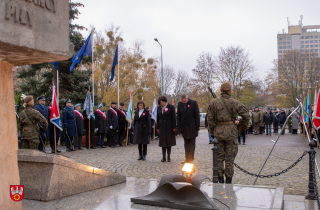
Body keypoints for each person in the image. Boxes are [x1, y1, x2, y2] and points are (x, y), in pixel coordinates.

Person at [207, 82, 250, 184]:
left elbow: (209, 120)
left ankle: (220, 180)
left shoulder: (214, 102)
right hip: (231, 133)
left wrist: (213, 132)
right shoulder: (235, 102)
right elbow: (247, 116)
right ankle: (229, 181)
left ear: (221, 91)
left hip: (218, 133)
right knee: (229, 159)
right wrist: (238, 127)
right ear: (230, 91)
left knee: (219, 158)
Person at [177, 94, 200, 164]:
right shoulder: (180, 104)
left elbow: (197, 115)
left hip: (192, 127)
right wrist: (179, 127)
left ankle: (191, 158)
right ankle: (187, 158)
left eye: (183, 101)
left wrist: (197, 127)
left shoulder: (193, 103)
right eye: (181, 101)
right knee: (186, 144)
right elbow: (179, 117)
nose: (183, 102)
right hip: (184, 128)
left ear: (187, 98)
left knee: (192, 144)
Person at [156, 96, 176, 162]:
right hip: (162, 127)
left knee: (169, 142)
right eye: (161, 103)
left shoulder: (171, 107)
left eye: (163, 102)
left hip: (169, 127)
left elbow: (174, 118)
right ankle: (163, 157)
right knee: (163, 143)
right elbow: (158, 118)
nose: (162, 104)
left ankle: (169, 157)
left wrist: (174, 127)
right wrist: (157, 127)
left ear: (165, 101)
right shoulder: (158, 108)